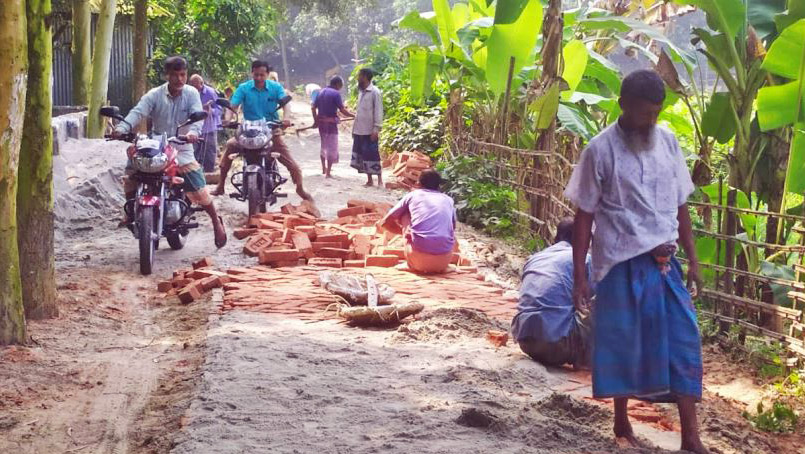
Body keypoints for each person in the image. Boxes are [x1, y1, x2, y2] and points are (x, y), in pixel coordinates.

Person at [564, 70, 707, 453]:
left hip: (666, 262)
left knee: (684, 341)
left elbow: (681, 204)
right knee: (623, 343)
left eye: (657, 113)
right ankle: (621, 418)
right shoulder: (599, 149)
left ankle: (691, 437)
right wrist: (581, 274)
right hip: (619, 261)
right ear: (624, 105)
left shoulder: (670, 144)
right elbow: (584, 215)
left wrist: (693, 259)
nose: (652, 121)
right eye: (645, 114)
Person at [112, 56, 227, 248]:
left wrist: (192, 132)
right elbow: (138, 112)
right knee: (132, 170)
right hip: (157, 145)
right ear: (167, 75)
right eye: (175, 75)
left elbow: (197, 116)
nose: (180, 79)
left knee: (198, 185)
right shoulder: (154, 94)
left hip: (181, 146)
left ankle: (216, 221)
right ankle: (131, 209)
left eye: (183, 75)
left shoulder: (191, 93)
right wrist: (122, 128)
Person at [212, 60, 313, 203]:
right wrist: (228, 119)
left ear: (267, 74)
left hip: (271, 131)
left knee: (292, 164)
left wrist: (286, 118)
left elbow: (286, 105)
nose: (259, 78)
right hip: (248, 132)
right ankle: (221, 185)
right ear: (252, 73)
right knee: (230, 146)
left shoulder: (275, 87)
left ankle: (300, 189)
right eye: (256, 74)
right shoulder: (244, 88)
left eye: (262, 75)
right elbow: (233, 106)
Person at [511, 218, 592, 369]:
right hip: (557, 346)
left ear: (556, 238)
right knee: (607, 298)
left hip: (526, 341)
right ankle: (587, 359)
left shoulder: (534, 258)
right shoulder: (585, 260)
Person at [378, 169, 455, 274]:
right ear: (439, 185)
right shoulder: (448, 200)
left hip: (417, 260)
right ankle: (440, 265)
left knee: (405, 214)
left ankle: (409, 263)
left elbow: (385, 222)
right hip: (444, 261)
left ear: (419, 183)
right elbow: (452, 228)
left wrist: (406, 233)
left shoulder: (413, 195)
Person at [311, 76, 354, 178]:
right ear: (337, 84)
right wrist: (353, 115)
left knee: (324, 145)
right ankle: (328, 173)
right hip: (330, 124)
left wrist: (315, 120)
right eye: (341, 86)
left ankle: (323, 169)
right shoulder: (336, 94)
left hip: (321, 123)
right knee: (331, 147)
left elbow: (313, 108)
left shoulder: (320, 92)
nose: (340, 88)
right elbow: (342, 110)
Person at [350, 68, 384, 187]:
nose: (358, 78)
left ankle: (380, 180)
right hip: (360, 129)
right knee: (363, 155)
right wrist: (354, 130)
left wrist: (376, 129)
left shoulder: (375, 92)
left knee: (373, 154)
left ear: (365, 77)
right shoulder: (361, 92)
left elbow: (378, 111)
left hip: (370, 130)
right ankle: (369, 180)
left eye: (360, 75)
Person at [188, 74, 222, 172]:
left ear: (202, 84)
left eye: (196, 85)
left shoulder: (211, 92)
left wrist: (211, 111)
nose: (194, 88)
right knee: (193, 151)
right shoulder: (189, 93)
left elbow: (219, 109)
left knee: (210, 151)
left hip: (209, 127)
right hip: (194, 128)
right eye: (192, 85)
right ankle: (194, 173)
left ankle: (209, 172)